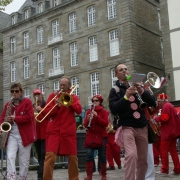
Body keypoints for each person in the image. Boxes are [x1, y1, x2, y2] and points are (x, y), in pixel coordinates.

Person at [108, 63, 156, 180]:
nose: (124, 71)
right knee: (131, 155)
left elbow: (152, 103)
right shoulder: (115, 90)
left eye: (126, 69)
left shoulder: (136, 84)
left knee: (143, 160)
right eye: (121, 70)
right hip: (127, 126)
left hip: (142, 125)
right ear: (116, 74)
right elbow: (114, 109)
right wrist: (125, 96)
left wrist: (141, 91)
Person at [42, 77, 82, 180]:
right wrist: (57, 107)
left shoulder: (74, 97)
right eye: (60, 85)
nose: (61, 87)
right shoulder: (53, 96)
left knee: (73, 158)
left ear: (69, 86)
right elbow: (46, 113)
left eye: (64, 85)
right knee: (50, 157)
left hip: (68, 131)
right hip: (54, 131)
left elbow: (78, 110)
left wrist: (70, 103)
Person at [0, 82, 36, 180]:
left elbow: (29, 117)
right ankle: (11, 178)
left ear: (21, 91)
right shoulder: (8, 104)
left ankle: (22, 178)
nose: (14, 93)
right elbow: (2, 118)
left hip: (25, 135)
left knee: (23, 161)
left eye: (16, 91)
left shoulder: (27, 102)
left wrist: (15, 118)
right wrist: (2, 125)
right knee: (10, 156)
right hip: (12, 134)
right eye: (12, 91)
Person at [84, 94, 109, 180]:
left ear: (100, 102)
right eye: (93, 101)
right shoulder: (88, 111)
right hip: (91, 135)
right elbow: (85, 125)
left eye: (96, 101)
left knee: (102, 155)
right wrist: (88, 119)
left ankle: (103, 174)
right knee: (89, 155)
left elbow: (105, 123)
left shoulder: (104, 112)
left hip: (102, 135)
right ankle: (89, 175)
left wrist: (97, 117)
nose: (94, 102)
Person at [155, 93, 180, 175]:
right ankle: (177, 169)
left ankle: (164, 169)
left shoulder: (166, 106)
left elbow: (165, 118)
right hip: (173, 132)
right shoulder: (170, 105)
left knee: (163, 150)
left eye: (159, 101)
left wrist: (156, 118)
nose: (159, 103)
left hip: (168, 132)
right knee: (173, 151)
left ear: (162, 101)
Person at [33, 88, 48, 180]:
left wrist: (41, 110)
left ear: (41, 95)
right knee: (39, 153)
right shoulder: (32, 105)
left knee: (43, 154)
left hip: (45, 133)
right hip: (37, 134)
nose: (36, 96)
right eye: (35, 95)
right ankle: (42, 170)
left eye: (38, 94)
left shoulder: (46, 104)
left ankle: (40, 174)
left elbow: (50, 115)